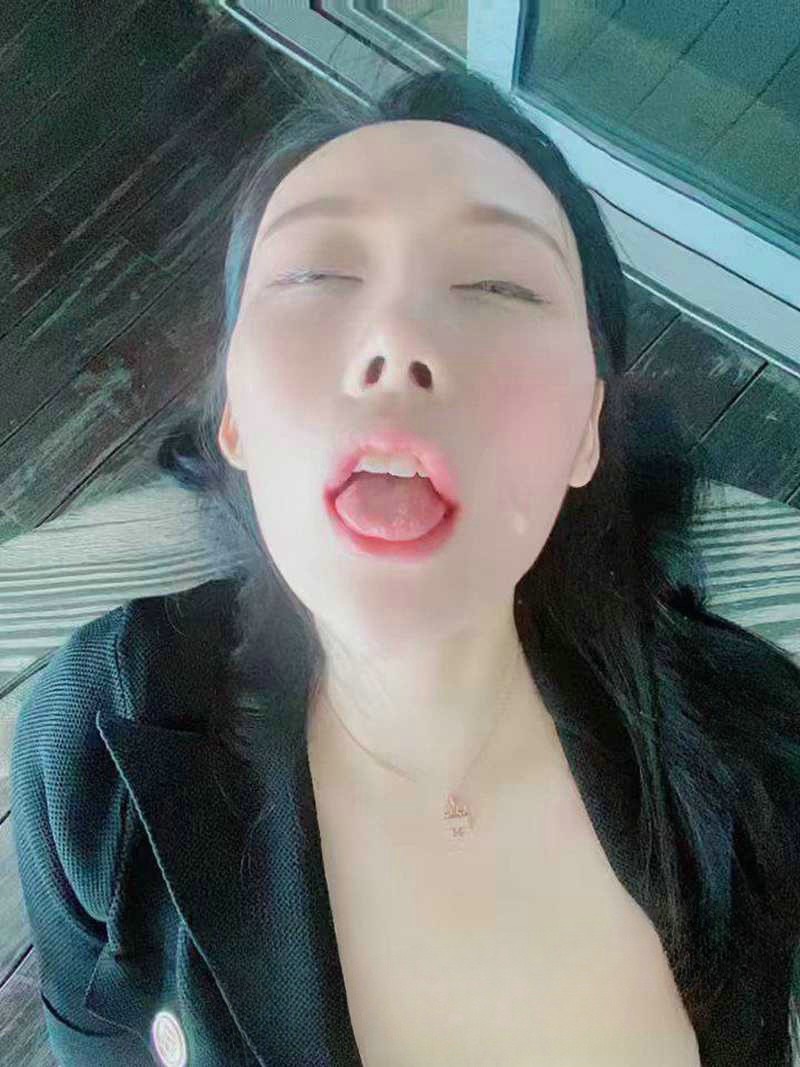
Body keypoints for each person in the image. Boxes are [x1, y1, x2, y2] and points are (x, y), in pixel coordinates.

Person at [12, 63, 800, 1067]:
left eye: (497, 285)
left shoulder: (757, 746)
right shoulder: (94, 738)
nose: (396, 340)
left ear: (586, 430)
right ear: (235, 413)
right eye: (315, 275)